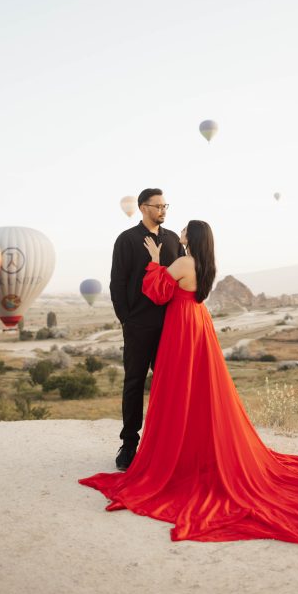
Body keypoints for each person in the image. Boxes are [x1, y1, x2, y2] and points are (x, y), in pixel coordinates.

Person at [80, 220, 298, 545]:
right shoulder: (204, 264)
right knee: (198, 388)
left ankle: (177, 452)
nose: (181, 231)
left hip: (181, 325)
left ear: (193, 236)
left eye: (187, 229)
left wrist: (156, 260)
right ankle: (194, 447)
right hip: (198, 322)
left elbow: (156, 292)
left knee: (179, 388)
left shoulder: (183, 262)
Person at [109, 188, 183, 472]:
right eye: (158, 205)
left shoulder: (174, 239)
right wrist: (125, 318)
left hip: (171, 325)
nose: (164, 209)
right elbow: (118, 281)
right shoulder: (127, 240)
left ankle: (168, 446)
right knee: (134, 383)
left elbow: (185, 275)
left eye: (166, 205)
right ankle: (129, 445)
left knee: (169, 386)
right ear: (142, 208)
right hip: (138, 324)